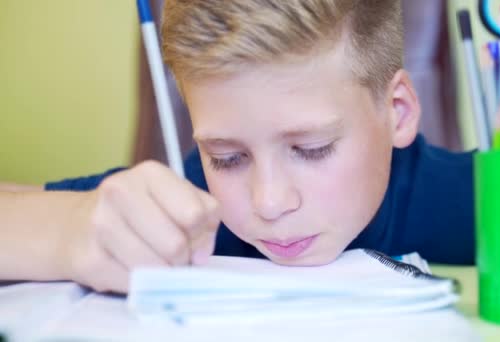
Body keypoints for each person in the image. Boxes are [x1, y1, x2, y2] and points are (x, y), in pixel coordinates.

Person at [0, 0, 474, 294]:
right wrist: (64, 232)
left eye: (311, 149)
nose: (267, 202)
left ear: (399, 111)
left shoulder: (477, 200)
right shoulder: (186, 208)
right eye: (227, 158)